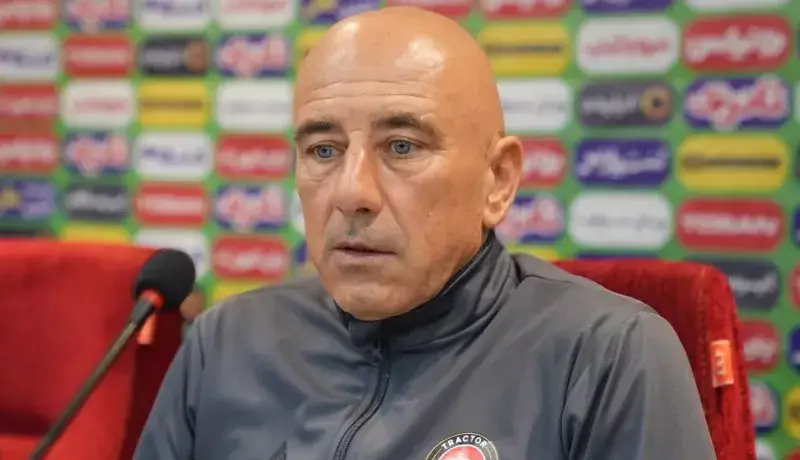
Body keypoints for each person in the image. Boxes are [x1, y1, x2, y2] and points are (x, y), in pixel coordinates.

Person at [135, 7, 716, 460]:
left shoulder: (607, 355)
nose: (352, 192)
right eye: (324, 150)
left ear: (497, 180)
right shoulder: (226, 343)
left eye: (402, 146)